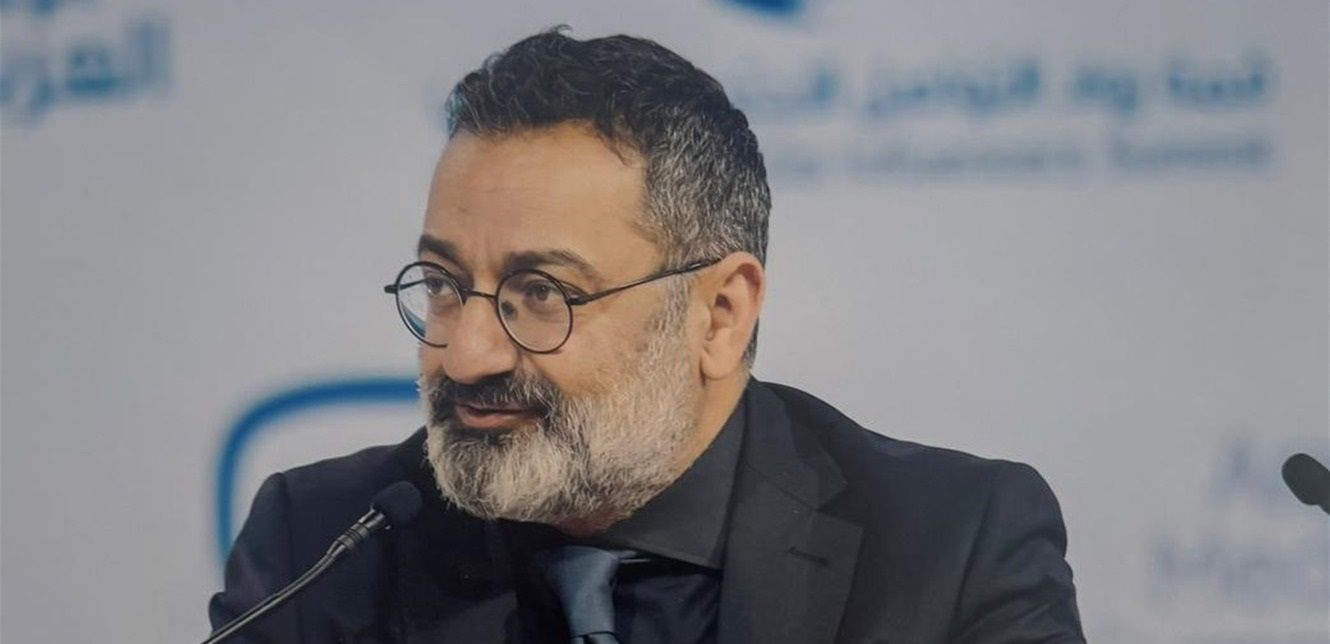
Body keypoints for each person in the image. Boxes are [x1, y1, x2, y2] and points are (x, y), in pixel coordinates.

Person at [209, 29, 1084, 643]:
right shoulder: (321, 547)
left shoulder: (953, 548)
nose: (468, 354)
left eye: (540, 293)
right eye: (443, 285)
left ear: (721, 314)